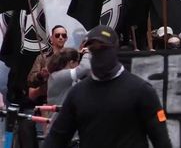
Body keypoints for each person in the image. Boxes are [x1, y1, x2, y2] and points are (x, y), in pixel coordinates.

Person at [43, 25, 172, 148]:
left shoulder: (141, 91)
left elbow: (161, 140)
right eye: (94, 50)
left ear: (114, 50)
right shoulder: (78, 94)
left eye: (103, 49)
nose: (99, 54)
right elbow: (57, 137)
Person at [27, 25, 68, 104]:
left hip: (66, 101)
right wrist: (40, 75)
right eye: (57, 35)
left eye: (63, 35)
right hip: (46, 101)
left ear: (66, 38)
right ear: (51, 38)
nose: (60, 37)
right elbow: (30, 81)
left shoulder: (71, 57)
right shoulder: (42, 58)